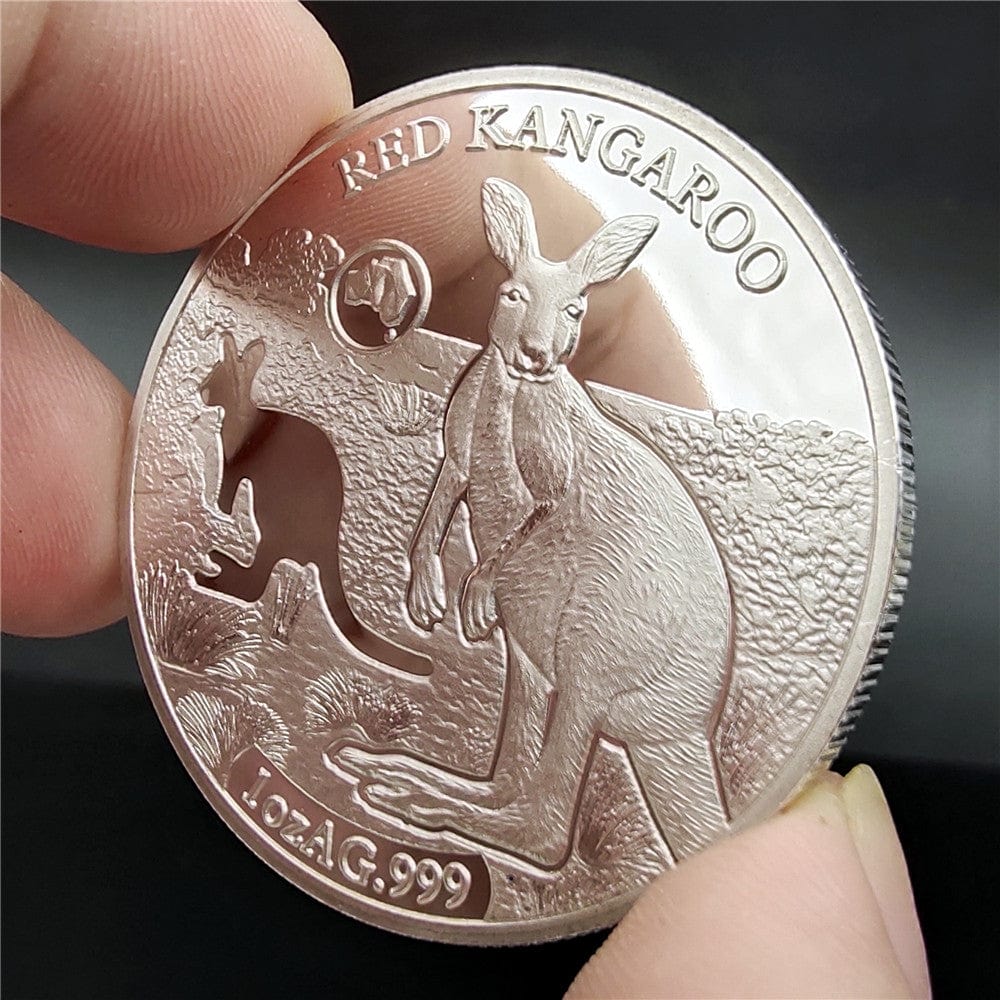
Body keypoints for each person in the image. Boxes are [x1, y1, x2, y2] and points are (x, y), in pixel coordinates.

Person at [0, 3, 929, 997]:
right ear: (504, 291)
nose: (540, 333)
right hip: (558, 598)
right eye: (524, 301)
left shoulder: (555, 414)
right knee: (537, 637)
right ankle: (503, 792)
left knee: (575, 632)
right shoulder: (481, 389)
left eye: (567, 312)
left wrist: (486, 570)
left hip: (653, 637)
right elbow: (452, 469)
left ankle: (537, 817)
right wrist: (426, 551)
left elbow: (559, 507)